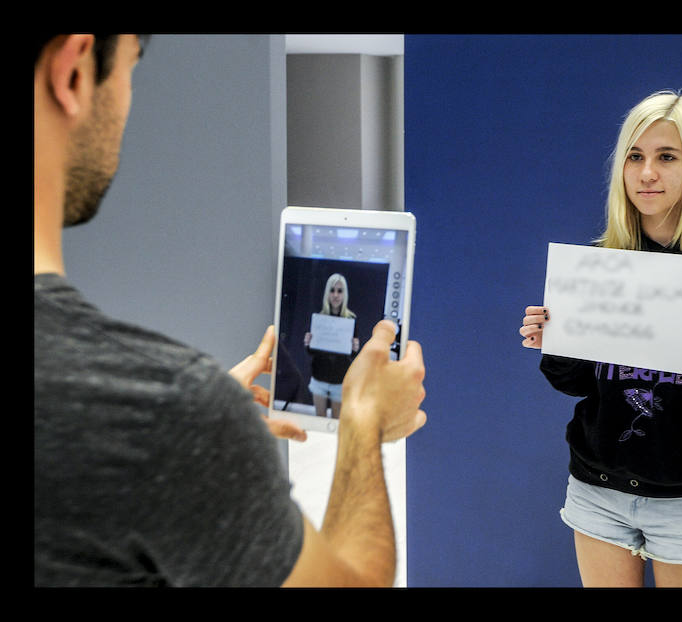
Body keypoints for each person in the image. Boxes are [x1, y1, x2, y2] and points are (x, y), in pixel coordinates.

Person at [34, 34, 426, 587]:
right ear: (73, 71)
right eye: (129, 68)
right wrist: (363, 423)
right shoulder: (165, 410)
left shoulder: (168, 414)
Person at [519, 90, 682, 588]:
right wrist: (554, 340)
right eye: (635, 157)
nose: (647, 174)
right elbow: (573, 383)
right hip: (597, 489)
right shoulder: (601, 261)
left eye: (666, 157)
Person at [304, 273, 360, 418]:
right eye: (332, 290)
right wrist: (308, 343)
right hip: (319, 377)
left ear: (344, 294)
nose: (335, 295)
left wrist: (355, 348)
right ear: (327, 293)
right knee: (319, 418)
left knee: (336, 421)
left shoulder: (351, 319)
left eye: (340, 291)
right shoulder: (318, 317)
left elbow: (351, 354)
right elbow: (312, 351)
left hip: (339, 379)